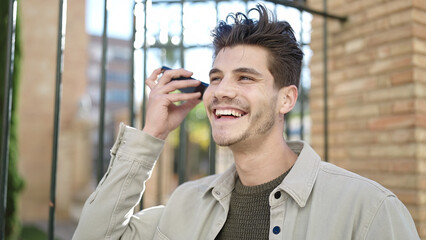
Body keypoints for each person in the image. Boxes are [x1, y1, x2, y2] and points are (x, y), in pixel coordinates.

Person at [73, 4, 419, 240]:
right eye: (216, 77)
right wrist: (152, 135)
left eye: (245, 78)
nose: (222, 91)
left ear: (287, 98)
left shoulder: (368, 210)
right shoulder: (186, 204)